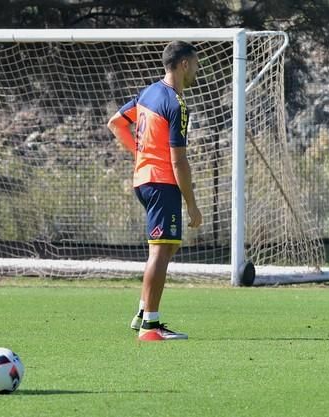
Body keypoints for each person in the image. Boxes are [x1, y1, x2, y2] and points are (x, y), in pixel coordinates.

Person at [107, 41, 202, 342]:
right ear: (184, 64)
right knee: (160, 253)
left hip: (143, 180)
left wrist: (140, 156)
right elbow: (179, 160)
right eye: (196, 64)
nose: (197, 70)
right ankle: (151, 325)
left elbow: (116, 123)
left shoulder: (148, 92)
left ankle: (142, 311)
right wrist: (192, 204)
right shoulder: (175, 104)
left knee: (167, 247)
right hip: (162, 182)